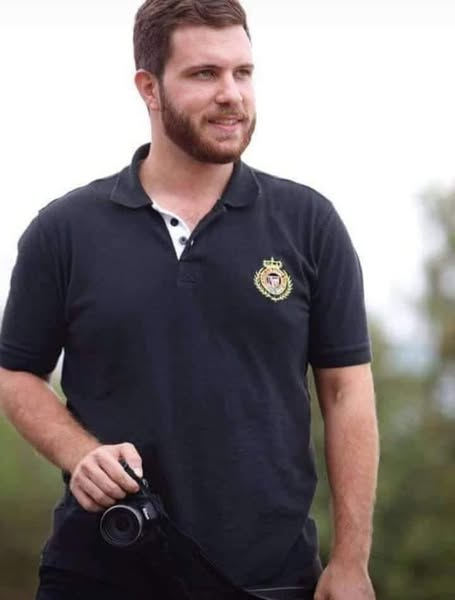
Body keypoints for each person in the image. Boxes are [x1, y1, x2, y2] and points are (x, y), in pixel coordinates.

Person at [0, 1, 379, 599]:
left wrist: (351, 559)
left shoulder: (310, 223)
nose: (232, 94)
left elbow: (346, 392)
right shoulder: (65, 230)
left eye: (242, 72)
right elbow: (16, 372)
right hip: (97, 576)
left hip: (268, 581)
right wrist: (80, 453)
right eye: (205, 74)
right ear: (149, 88)